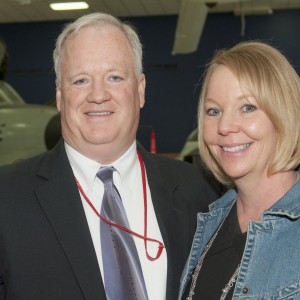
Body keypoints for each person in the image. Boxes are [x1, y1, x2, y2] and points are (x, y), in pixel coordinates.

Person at [0, 12, 220, 300]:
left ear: (140, 90)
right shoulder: (6, 198)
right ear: (59, 96)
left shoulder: (202, 193)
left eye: (115, 77)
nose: (98, 95)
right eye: (80, 80)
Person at [179, 41, 300, 299]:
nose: (225, 126)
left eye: (247, 107)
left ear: (285, 113)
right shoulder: (208, 222)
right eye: (214, 111)